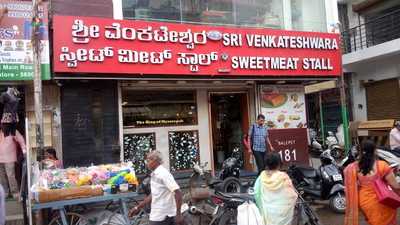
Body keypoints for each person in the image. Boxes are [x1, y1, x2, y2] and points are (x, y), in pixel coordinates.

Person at [344, 140, 400, 225]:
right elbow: (395, 186)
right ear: (375, 151)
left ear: (361, 151)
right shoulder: (382, 165)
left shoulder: (354, 167)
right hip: (382, 200)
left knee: (373, 222)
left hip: (364, 201)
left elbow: (352, 183)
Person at [129, 151, 183, 225]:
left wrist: (178, 214)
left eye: (148, 160)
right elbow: (153, 194)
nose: (146, 163)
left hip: (163, 215)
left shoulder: (163, 174)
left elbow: (178, 192)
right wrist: (137, 207)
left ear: (155, 161)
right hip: (157, 214)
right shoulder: (155, 174)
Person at [253, 152, 298, 225]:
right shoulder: (284, 177)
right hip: (283, 217)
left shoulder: (261, 177)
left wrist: (262, 209)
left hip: (267, 215)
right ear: (279, 164)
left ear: (266, 164)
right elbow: (292, 196)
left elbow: (256, 194)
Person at [0, 125, 25, 199]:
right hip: (0, 159)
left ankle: (15, 193)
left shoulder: (13, 131)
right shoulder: (0, 132)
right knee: (1, 177)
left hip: (9, 158)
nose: (2, 125)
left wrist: (24, 151)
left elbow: (21, 140)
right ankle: (5, 193)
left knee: (10, 176)